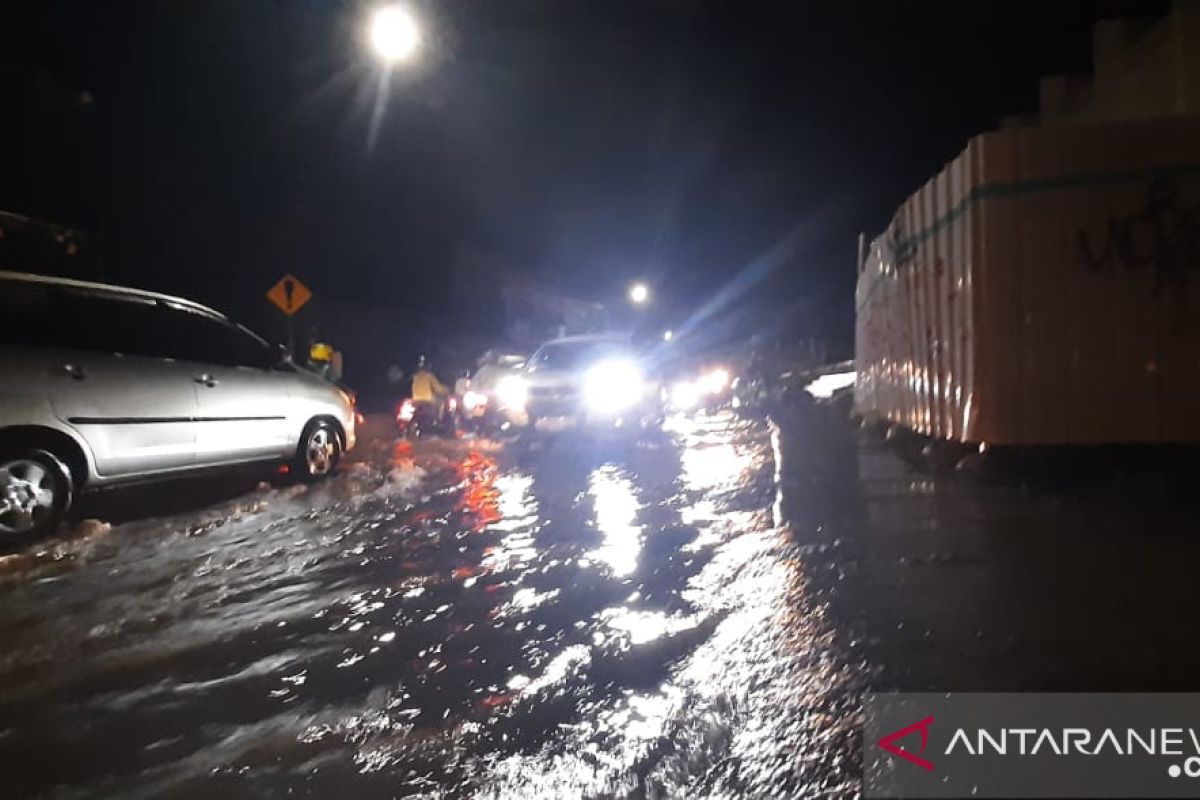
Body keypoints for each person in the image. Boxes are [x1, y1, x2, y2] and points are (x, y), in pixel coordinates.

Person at [410, 356, 449, 426]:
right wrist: (447, 390)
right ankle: (438, 421)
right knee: (442, 403)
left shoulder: (414, 376)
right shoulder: (429, 376)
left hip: (415, 400)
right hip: (427, 399)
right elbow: (438, 389)